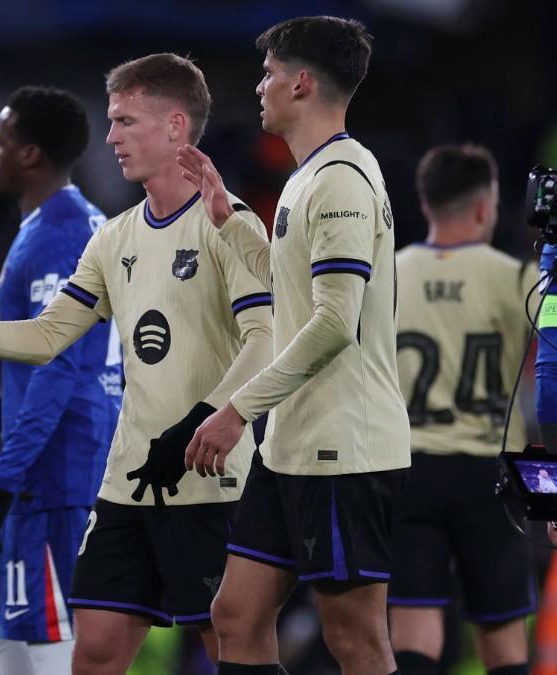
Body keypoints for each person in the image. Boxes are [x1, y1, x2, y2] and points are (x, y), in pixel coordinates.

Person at [0, 54, 273, 675]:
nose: (109, 138)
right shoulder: (113, 237)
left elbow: (265, 339)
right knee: (97, 652)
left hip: (208, 480)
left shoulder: (227, 223)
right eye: (110, 122)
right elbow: (50, 335)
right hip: (127, 482)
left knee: (231, 648)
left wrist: (216, 420)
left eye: (126, 121)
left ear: (176, 127)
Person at [177, 16, 409, 674]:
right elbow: (296, 291)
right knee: (237, 616)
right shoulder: (313, 176)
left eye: (269, 73)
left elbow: (335, 321)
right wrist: (229, 220)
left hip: (344, 446)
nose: (260, 86)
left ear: (301, 83)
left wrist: (236, 408)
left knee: (355, 638)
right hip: (293, 447)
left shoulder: (340, 180)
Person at [0, 85, 122, 675]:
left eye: (1, 140)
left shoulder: (60, 236)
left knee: (49, 646)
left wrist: (3, 481)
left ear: (31, 154)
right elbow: (73, 354)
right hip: (54, 453)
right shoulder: (71, 223)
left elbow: (59, 363)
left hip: (57, 472)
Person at [388, 144, 534, 675]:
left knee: (414, 633)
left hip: (408, 469)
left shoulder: (388, 274)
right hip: (488, 475)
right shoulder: (518, 279)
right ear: (483, 207)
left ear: (427, 204)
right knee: (502, 636)